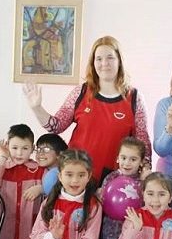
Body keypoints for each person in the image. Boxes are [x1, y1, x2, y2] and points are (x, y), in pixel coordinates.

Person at [23, 36, 152, 184]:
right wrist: (37, 108)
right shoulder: (81, 92)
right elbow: (57, 126)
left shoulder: (135, 98)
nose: (104, 63)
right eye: (99, 59)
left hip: (114, 180)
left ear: (119, 61)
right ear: (93, 63)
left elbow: (144, 143)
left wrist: (145, 173)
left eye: (110, 57)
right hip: (76, 175)